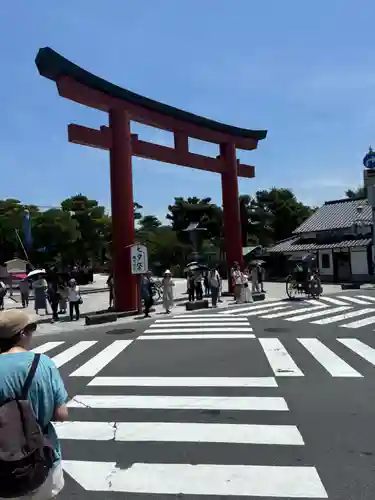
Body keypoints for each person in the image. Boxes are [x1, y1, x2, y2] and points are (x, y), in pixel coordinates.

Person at [0, 310, 69, 500]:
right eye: (31, 328)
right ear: (21, 334)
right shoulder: (43, 364)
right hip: (41, 455)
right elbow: (61, 413)